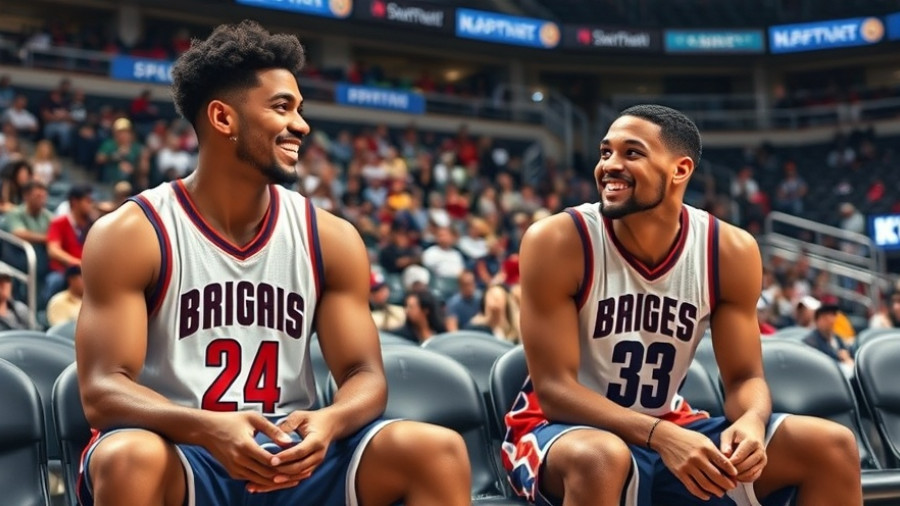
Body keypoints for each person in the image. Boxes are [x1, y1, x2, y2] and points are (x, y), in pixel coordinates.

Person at [75, 20, 470, 506]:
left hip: (290, 451)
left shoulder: (330, 237)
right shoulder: (133, 233)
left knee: (436, 450)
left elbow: (365, 375)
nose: (301, 125)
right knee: (128, 456)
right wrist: (206, 428)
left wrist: (330, 420)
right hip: (183, 448)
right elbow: (101, 390)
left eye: (300, 109)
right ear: (223, 119)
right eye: (282, 107)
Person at [502, 104, 861, 506]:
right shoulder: (558, 240)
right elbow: (554, 391)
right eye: (606, 153)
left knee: (830, 445)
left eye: (631, 153)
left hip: (667, 424)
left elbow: (745, 378)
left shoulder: (729, 250)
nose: (610, 166)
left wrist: (751, 423)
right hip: (562, 430)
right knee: (602, 457)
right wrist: (661, 436)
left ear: (680, 170)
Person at [803, 304, 854, 378]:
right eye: (825, 317)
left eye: (833, 315)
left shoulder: (838, 338)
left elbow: (849, 356)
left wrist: (847, 359)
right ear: (817, 321)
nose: (830, 319)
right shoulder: (811, 342)